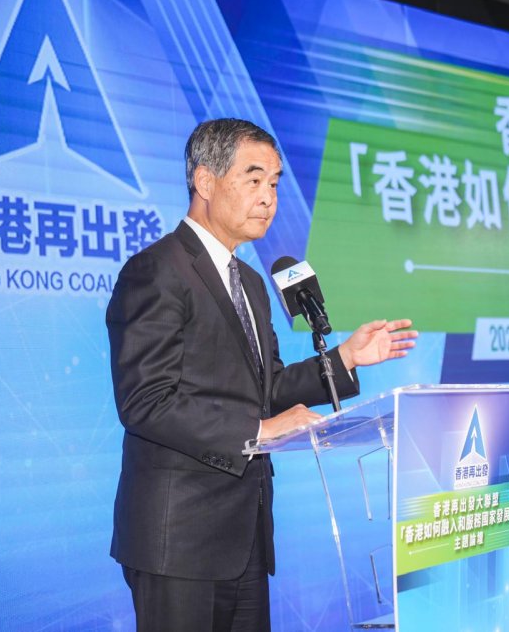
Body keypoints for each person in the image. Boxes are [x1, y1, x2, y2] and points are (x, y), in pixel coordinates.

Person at [105, 118, 416, 631]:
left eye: (274, 183)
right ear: (205, 182)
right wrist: (258, 430)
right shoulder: (156, 270)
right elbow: (146, 401)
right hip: (177, 539)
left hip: (245, 535)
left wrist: (345, 359)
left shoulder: (250, 282)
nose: (268, 197)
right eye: (253, 179)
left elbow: (267, 388)